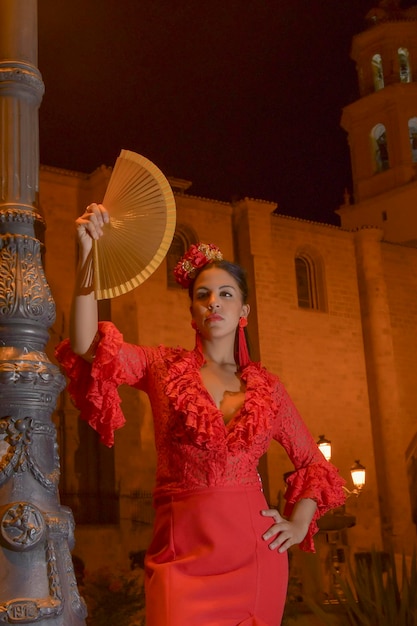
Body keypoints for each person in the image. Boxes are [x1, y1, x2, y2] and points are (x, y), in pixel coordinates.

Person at [56, 203, 346, 626]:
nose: (214, 303)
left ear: (243, 313)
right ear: (192, 311)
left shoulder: (268, 390)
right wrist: (86, 255)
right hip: (180, 558)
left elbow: (314, 465)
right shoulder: (161, 366)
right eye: (203, 295)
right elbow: (85, 344)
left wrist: (299, 525)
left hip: (256, 556)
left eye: (226, 294)